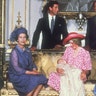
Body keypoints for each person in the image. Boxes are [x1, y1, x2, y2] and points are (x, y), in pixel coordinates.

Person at [8, 27, 48, 96]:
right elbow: (17, 68)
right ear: (17, 39)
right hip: (17, 75)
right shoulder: (14, 52)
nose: (23, 39)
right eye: (20, 37)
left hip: (26, 73)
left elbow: (32, 64)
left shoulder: (27, 50)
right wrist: (31, 72)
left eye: (24, 37)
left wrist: (34, 69)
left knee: (41, 77)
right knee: (34, 79)